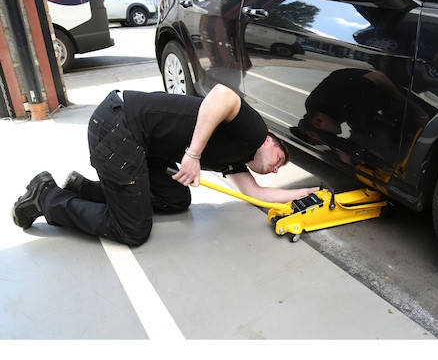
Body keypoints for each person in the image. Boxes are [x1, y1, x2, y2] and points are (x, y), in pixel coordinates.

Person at [12, 84, 319, 246]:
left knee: (175, 199)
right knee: (132, 230)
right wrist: (193, 155)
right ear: (270, 141)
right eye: (279, 160)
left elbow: (257, 194)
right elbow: (223, 95)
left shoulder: (237, 160)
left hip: (141, 145)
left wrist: (308, 193)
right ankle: (46, 197)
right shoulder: (254, 133)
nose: (275, 169)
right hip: (119, 127)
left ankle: (84, 189)